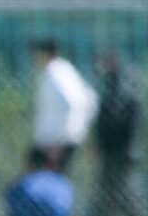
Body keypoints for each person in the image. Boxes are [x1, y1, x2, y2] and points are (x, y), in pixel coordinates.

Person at [83, 53, 145, 216]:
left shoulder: (116, 91)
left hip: (117, 153)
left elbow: (112, 124)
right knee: (118, 195)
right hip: (120, 152)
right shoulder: (120, 91)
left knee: (118, 196)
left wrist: (100, 145)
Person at [30, 38, 97, 174]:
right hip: (61, 140)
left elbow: (70, 103)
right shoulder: (65, 69)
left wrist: (60, 140)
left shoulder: (54, 74)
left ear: (45, 53)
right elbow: (90, 99)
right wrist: (79, 130)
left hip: (53, 143)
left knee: (43, 178)